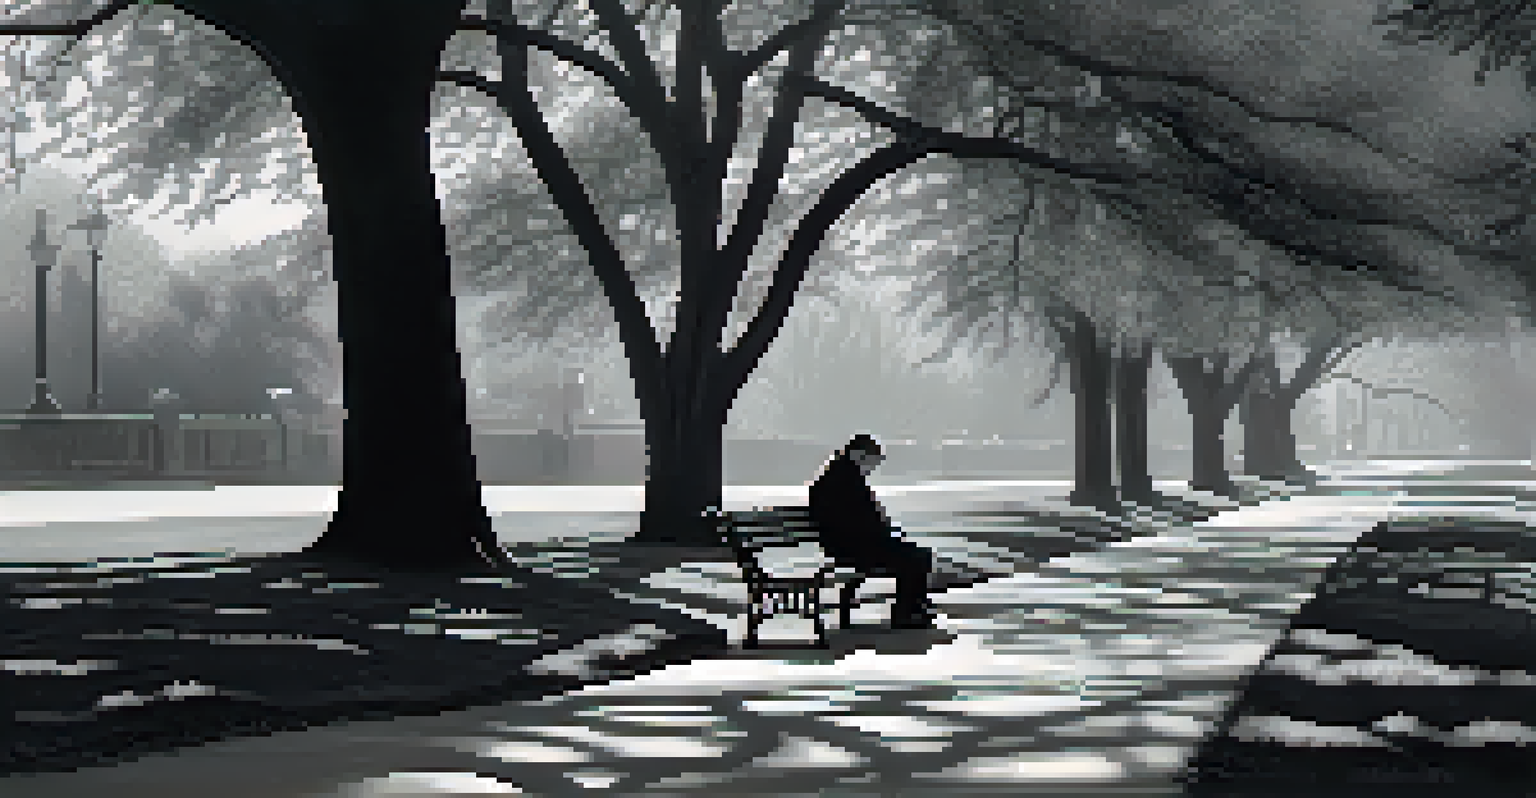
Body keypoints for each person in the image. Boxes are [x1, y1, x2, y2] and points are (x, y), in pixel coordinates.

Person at [807, 433, 936, 629]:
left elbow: (865, 518)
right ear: (861, 455)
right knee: (915, 557)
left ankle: (912, 608)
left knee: (916, 555)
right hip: (852, 546)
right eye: (873, 461)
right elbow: (862, 520)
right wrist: (885, 533)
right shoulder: (845, 479)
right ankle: (908, 611)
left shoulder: (842, 474)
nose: (872, 468)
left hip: (851, 542)